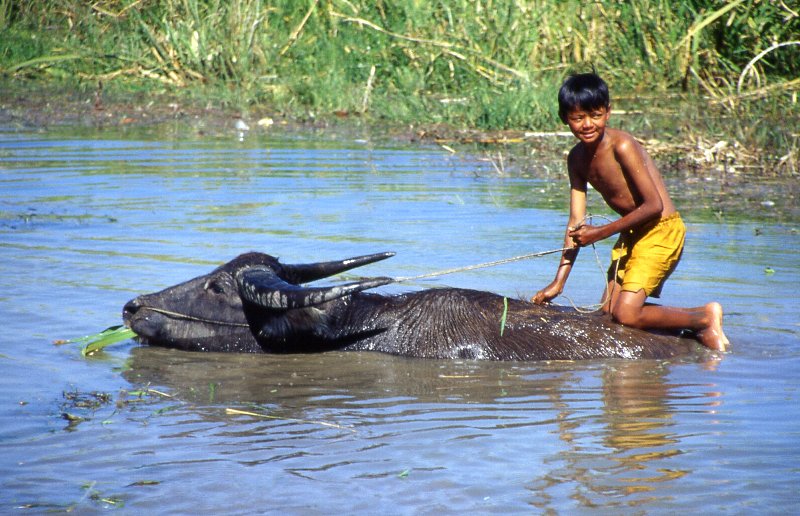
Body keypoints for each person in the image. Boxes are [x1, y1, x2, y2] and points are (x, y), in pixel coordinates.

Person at [532, 72, 728, 351]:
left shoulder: (622, 146)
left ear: (608, 112)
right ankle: (684, 336)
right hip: (632, 233)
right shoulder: (575, 159)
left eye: (595, 115)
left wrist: (601, 232)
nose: (587, 124)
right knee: (608, 314)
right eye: (578, 118)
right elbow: (575, 223)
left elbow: (653, 205)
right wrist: (558, 283)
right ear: (564, 118)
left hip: (661, 230)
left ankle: (704, 317)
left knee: (625, 313)